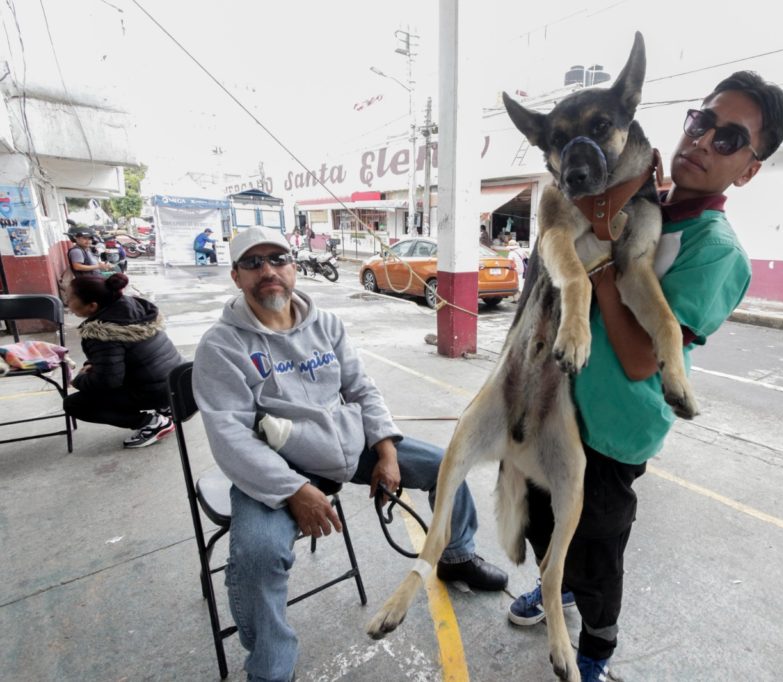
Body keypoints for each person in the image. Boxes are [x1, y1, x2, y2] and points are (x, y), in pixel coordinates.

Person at [507, 71, 783, 681]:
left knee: (598, 552)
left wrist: (604, 252)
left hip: (613, 431)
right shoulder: (644, 197)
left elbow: (643, 360)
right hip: (552, 405)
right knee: (539, 518)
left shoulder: (715, 250)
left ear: (749, 168)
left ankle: (594, 654)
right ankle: (557, 591)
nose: (702, 140)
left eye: (729, 139)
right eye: (701, 121)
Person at [191, 227, 507, 682]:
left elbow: (361, 388)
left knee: (446, 466)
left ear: (293, 267)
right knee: (257, 554)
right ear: (236, 276)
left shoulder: (326, 325)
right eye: (253, 263)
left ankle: (456, 555)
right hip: (278, 466)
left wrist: (386, 450)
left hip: (347, 442)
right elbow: (229, 436)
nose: (268, 271)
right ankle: (271, 667)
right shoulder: (222, 346)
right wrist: (295, 490)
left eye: (277, 259)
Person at [63, 273, 183, 448]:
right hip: (175, 381)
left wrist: (79, 380)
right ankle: (166, 407)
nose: (67, 303)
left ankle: (152, 423)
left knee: (74, 404)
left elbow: (108, 381)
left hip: (156, 390)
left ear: (92, 306)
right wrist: (95, 365)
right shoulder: (132, 309)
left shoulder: (102, 333)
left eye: (70, 298)